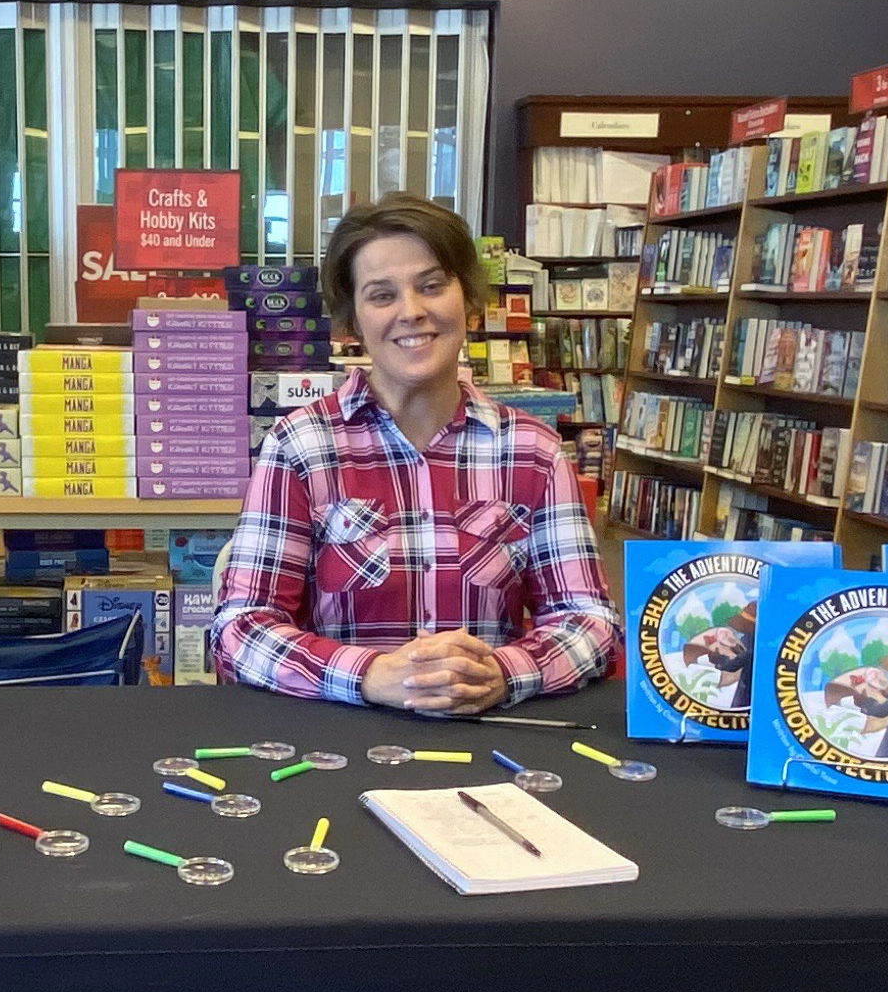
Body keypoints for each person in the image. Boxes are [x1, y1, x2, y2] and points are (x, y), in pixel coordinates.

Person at [211, 193, 617, 713]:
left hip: (489, 740)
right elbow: (240, 627)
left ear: (469, 301)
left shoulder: (533, 452)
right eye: (382, 295)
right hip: (342, 744)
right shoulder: (301, 447)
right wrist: (372, 675)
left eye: (431, 286)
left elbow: (590, 620)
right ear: (353, 322)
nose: (412, 312)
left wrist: (505, 672)